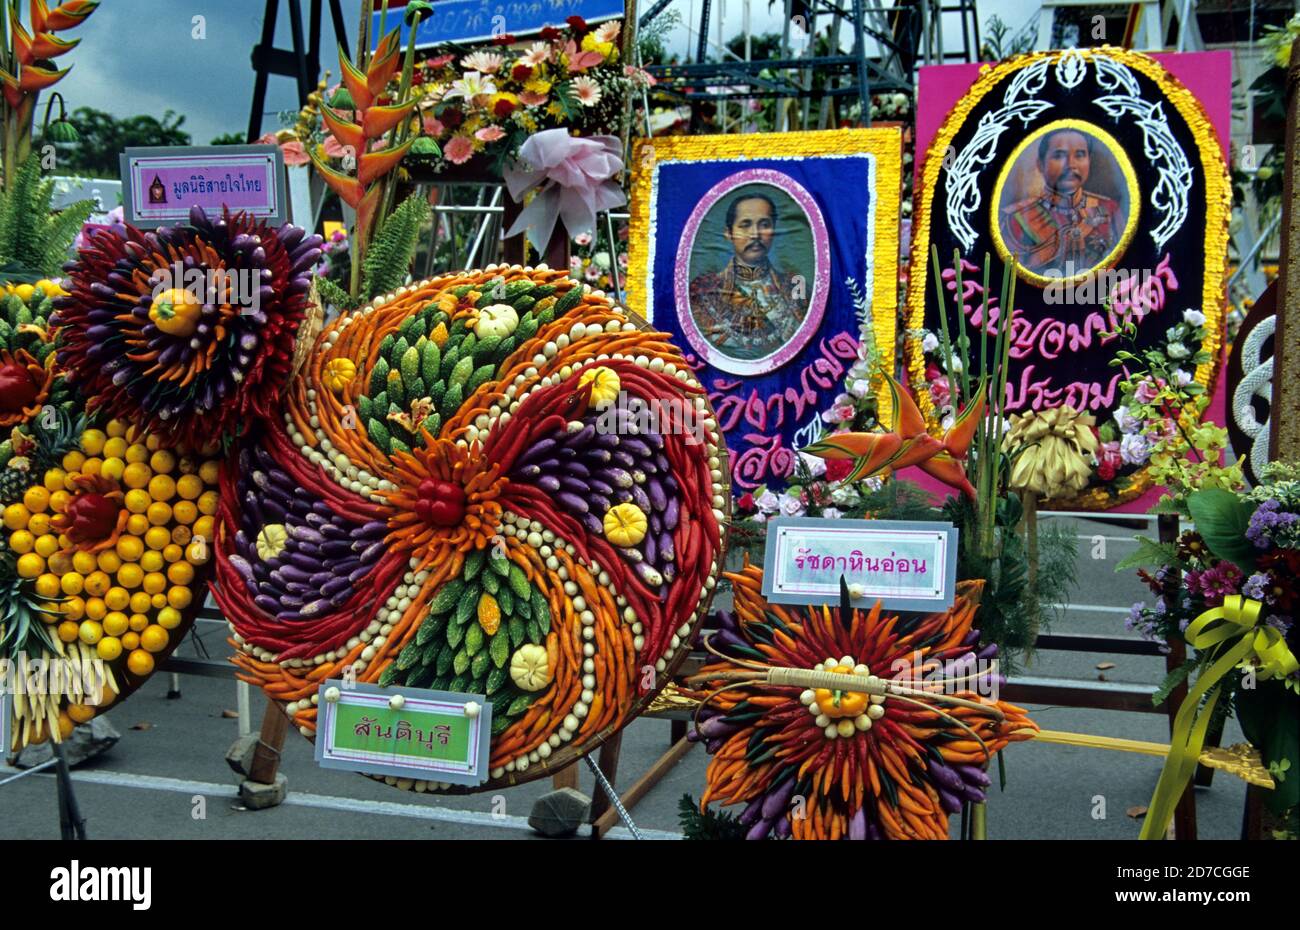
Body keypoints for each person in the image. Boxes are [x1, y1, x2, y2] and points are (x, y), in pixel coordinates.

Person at [688, 192, 806, 359]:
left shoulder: (795, 286)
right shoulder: (702, 290)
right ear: (728, 233)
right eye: (745, 225)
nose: (755, 234)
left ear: (774, 231)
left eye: (764, 224)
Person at [998, 129, 1123, 276]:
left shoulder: (1109, 209)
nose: (1071, 164)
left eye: (1080, 155)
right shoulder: (1015, 219)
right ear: (1040, 164)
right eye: (1058, 156)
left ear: (1089, 161)